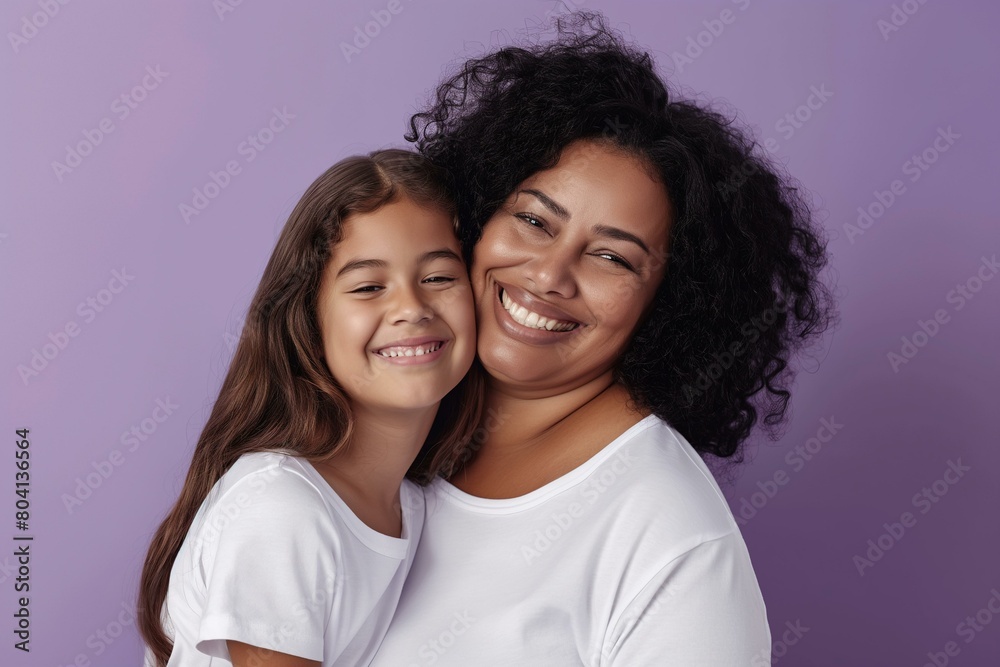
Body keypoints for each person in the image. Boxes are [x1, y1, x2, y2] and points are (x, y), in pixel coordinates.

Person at [370, 13, 836, 666]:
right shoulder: (380, 423)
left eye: (613, 258)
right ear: (476, 216)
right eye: (534, 219)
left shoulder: (673, 544)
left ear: (668, 304)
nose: (549, 275)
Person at [137, 149, 484, 667]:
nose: (412, 308)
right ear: (309, 320)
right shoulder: (282, 507)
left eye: (438, 277)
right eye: (369, 287)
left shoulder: (413, 507)